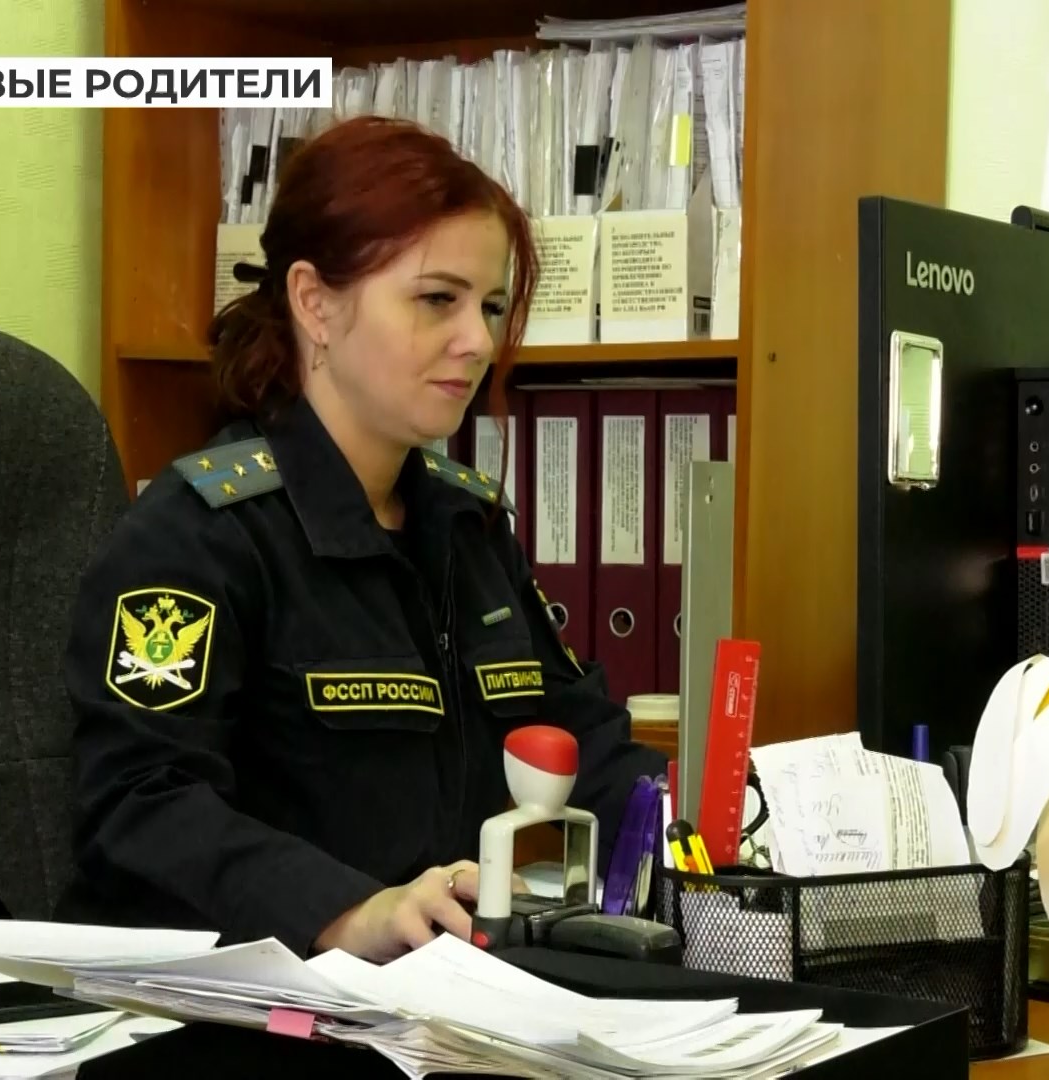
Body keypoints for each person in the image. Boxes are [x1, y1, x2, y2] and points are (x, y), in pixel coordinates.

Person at [54, 117, 669, 963]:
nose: (478, 342)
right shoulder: (197, 537)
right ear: (314, 302)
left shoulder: (467, 525)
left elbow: (578, 738)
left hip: (451, 991)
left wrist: (728, 824)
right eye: (438, 300)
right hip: (260, 1001)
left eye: (490, 306)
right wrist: (347, 912)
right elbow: (141, 805)